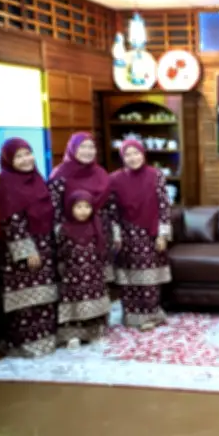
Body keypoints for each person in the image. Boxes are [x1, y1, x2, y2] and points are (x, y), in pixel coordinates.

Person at [0, 138, 59, 357]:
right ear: (8, 160)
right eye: (18, 156)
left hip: (44, 244)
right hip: (21, 252)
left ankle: (46, 339)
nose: (25, 159)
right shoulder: (6, 184)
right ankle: (25, 344)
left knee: (45, 295)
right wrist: (27, 251)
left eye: (28, 153)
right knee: (26, 300)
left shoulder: (37, 179)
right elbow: (11, 221)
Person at [109, 139, 173, 331]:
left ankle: (150, 315)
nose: (133, 158)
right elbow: (112, 210)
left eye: (136, 153)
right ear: (122, 158)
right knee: (128, 278)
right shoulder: (115, 179)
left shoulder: (155, 175)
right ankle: (131, 315)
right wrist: (116, 236)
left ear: (143, 154)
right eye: (128, 154)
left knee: (149, 279)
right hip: (126, 234)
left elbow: (164, 205)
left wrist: (162, 235)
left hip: (150, 233)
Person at [48, 132, 114, 284]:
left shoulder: (101, 173)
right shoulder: (60, 173)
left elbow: (110, 205)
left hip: (99, 234)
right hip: (72, 237)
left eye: (91, 147)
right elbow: (54, 208)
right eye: (82, 147)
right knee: (76, 281)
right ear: (72, 148)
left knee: (99, 281)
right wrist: (61, 234)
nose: (87, 151)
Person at [55, 189, 111, 346]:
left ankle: (93, 332)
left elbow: (103, 250)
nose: (83, 211)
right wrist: (63, 271)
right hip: (73, 275)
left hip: (94, 274)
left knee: (94, 302)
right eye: (78, 207)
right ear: (70, 208)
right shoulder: (64, 229)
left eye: (87, 207)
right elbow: (60, 253)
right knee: (74, 302)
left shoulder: (96, 226)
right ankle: (72, 335)